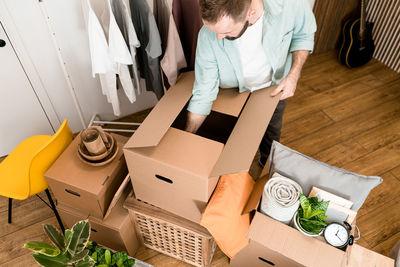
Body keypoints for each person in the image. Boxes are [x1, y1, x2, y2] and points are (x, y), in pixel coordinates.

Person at [184, 0, 316, 167]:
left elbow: (303, 35)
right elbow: (204, 90)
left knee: (272, 132)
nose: (218, 37)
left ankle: (266, 164)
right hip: (234, 94)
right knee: (237, 138)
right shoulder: (208, 36)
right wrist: (187, 137)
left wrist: (293, 75)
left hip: (274, 88)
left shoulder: (290, 4)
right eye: (214, 31)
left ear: (250, 14)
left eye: (226, 32)